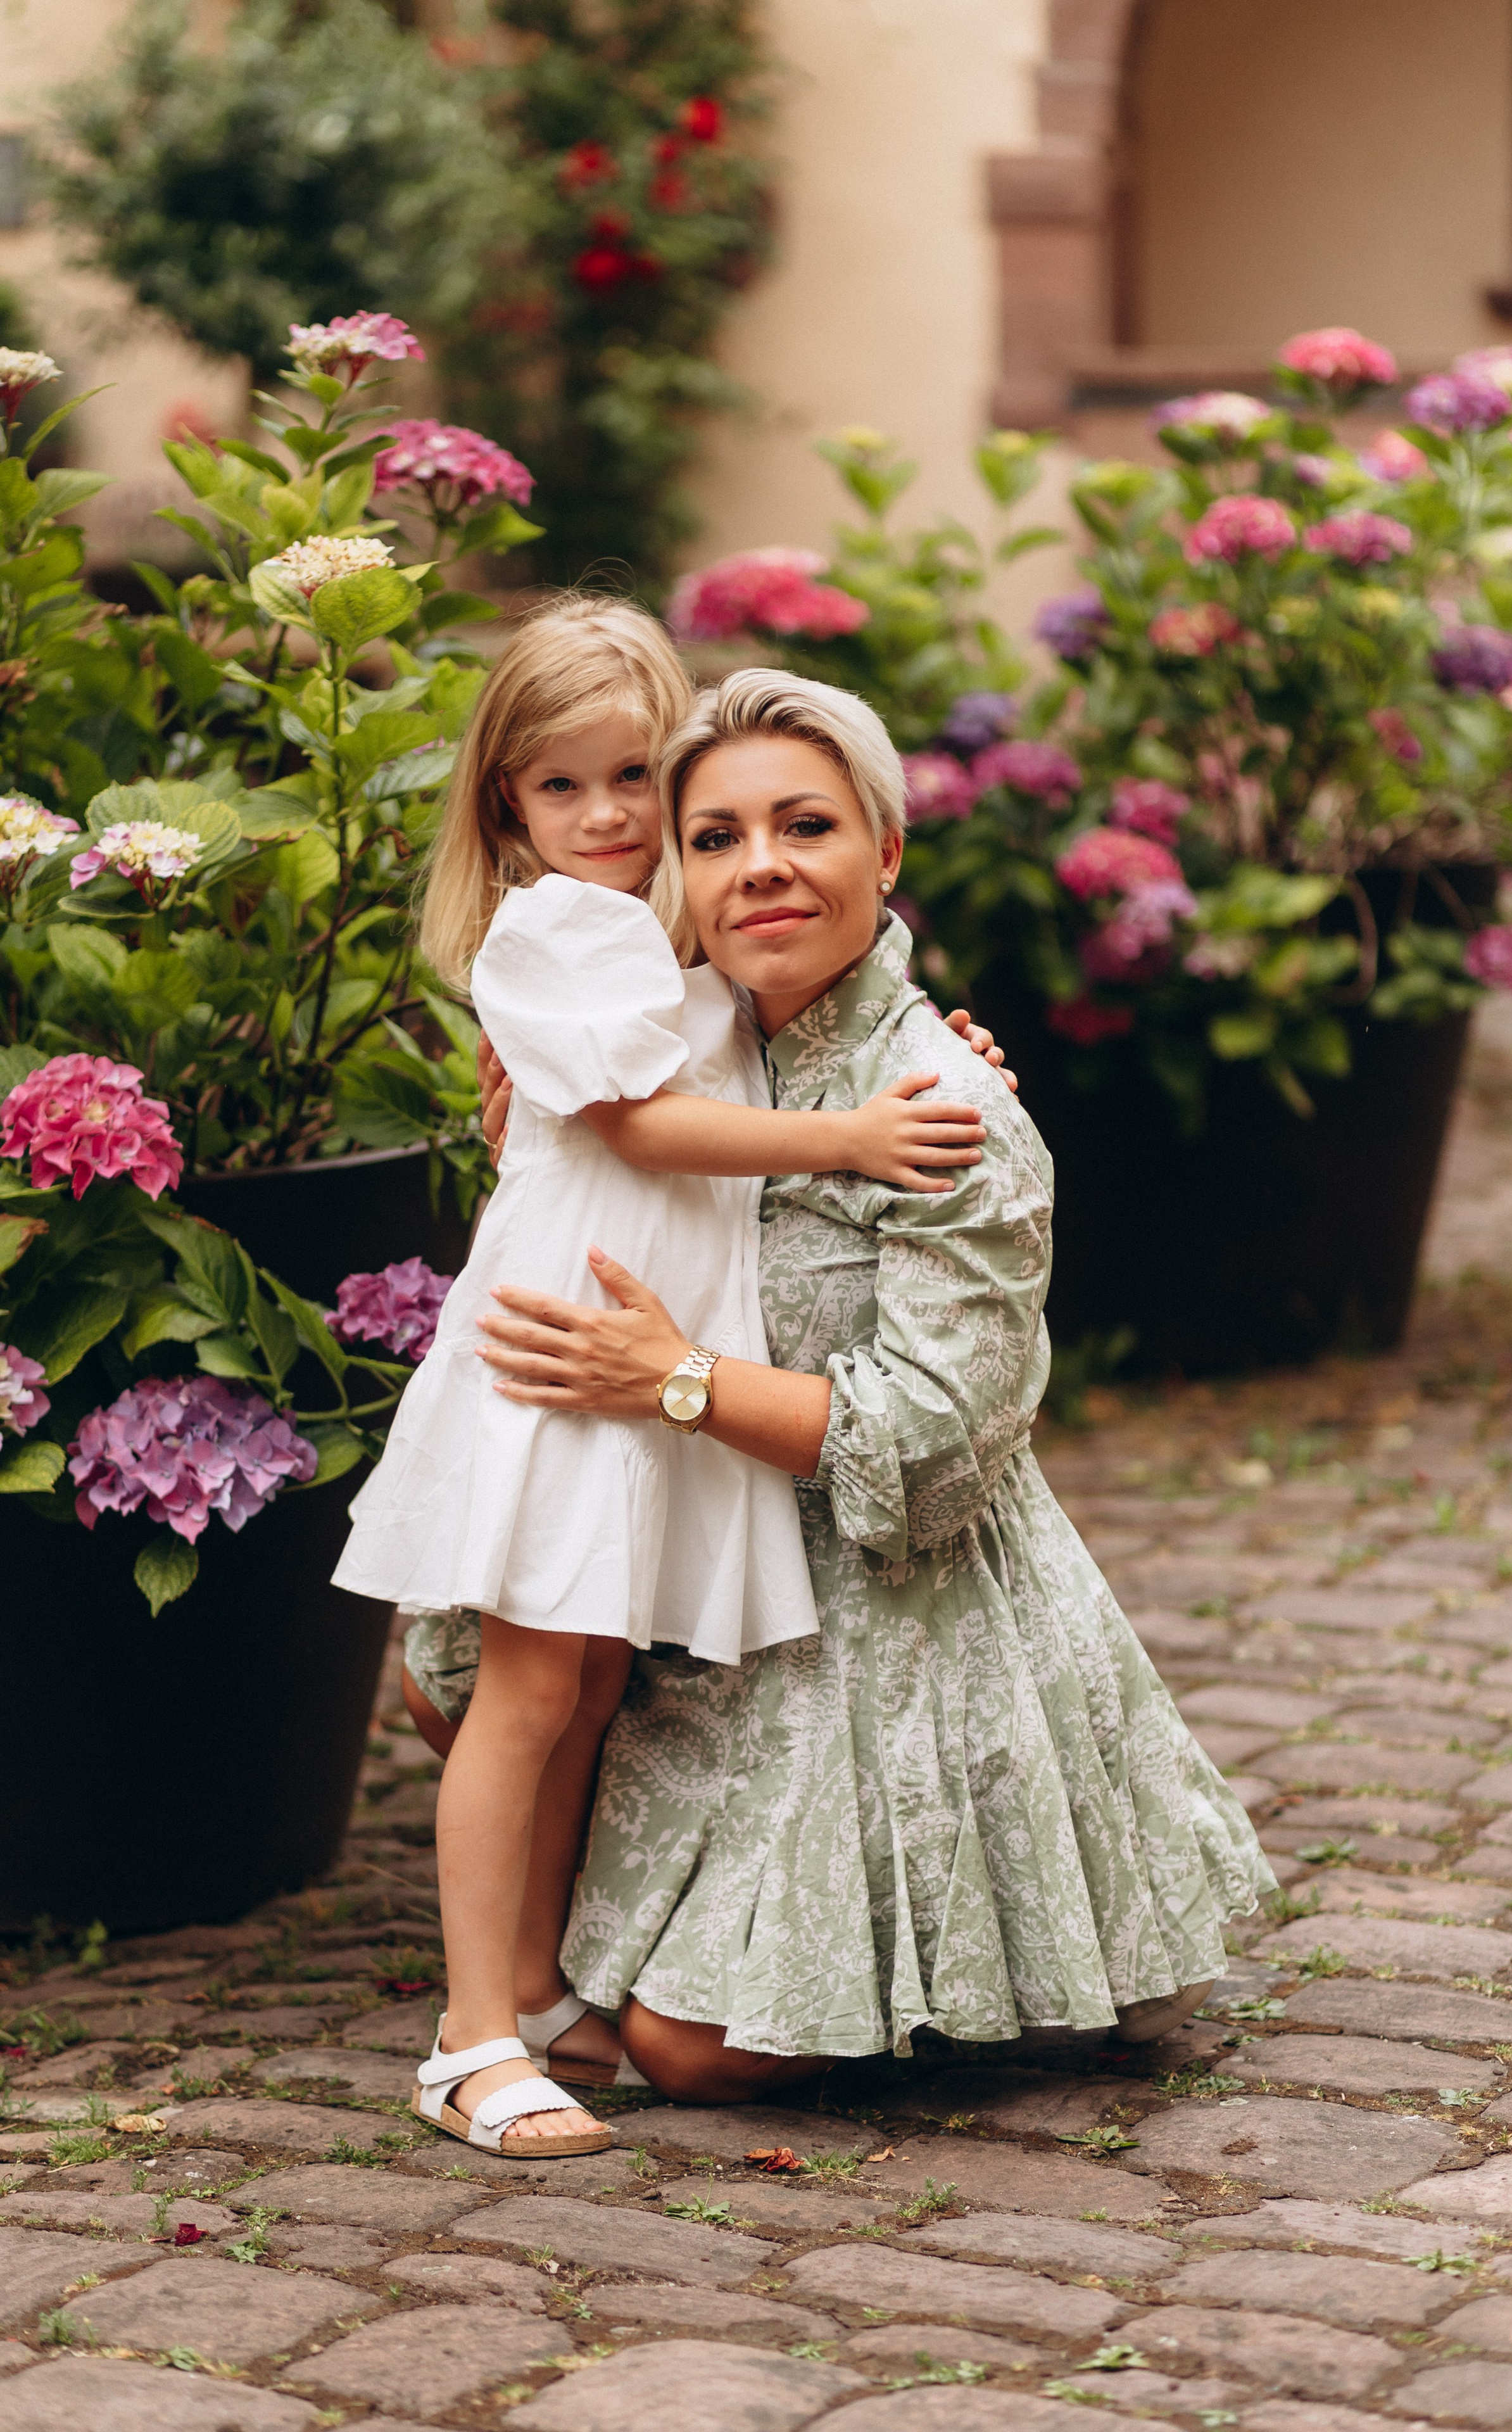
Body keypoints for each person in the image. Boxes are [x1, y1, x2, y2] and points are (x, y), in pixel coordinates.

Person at [436, 668, 1276, 2102]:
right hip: (686, 1549)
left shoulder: (945, 1108)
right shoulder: (677, 1045)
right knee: (452, 1670)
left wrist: (681, 1380)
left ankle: (985, 1936)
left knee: (689, 2054)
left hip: (884, 1578)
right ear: (677, 880)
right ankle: (503, 1995)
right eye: (714, 840)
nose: (759, 866)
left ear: (883, 853)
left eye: (805, 826)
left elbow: (933, 1453)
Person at [334, 603, 990, 2156]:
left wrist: (935, 1051)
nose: (610, 816)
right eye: (561, 789)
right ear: (507, 805)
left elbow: (782, 1017)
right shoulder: (552, 933)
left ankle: (544, 1988)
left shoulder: (668, 926)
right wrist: (851, 1139)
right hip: (571, 1352)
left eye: (636, 778)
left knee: (599, 1682)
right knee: (533, 1686)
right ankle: (468, 2035)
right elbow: (636, 1124)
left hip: (651, 1360)